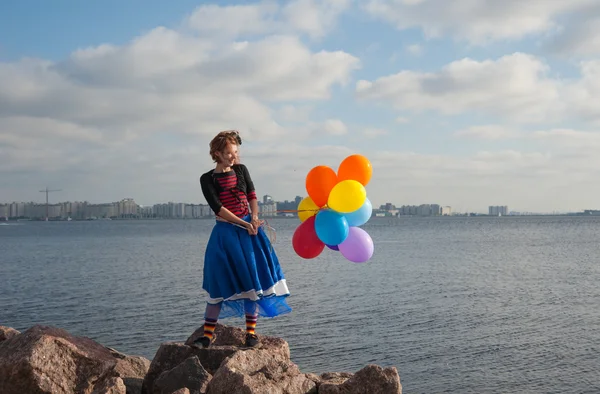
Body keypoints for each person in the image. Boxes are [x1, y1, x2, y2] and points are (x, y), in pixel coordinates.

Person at [194, 130, 291, 349]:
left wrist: (254, 218)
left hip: (250, 233)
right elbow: (218, 209)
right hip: (226, 234)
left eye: (235, 152)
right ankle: (207, 336)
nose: (233, 156)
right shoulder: (206, 179)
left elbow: (252, 196)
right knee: (218, 280)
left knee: (251, 280)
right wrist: (244, 223)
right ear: (217, 153)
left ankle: (251, 334)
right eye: (228, 153)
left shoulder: (241, 170)